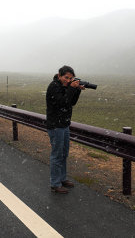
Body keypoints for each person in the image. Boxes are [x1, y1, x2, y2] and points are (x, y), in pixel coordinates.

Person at [46, 65, 85, 194]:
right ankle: (55, 184)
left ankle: (62, 179)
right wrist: (71, 88)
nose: (68, 80)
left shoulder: (66, 87)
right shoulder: (54, 86)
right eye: (66, 77)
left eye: (70, 78)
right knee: (57, 155)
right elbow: (62, 102)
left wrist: (77, 90)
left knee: (64, 154)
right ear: (59, 76)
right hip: (56, 126)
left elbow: (71, 102)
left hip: (64, 125)